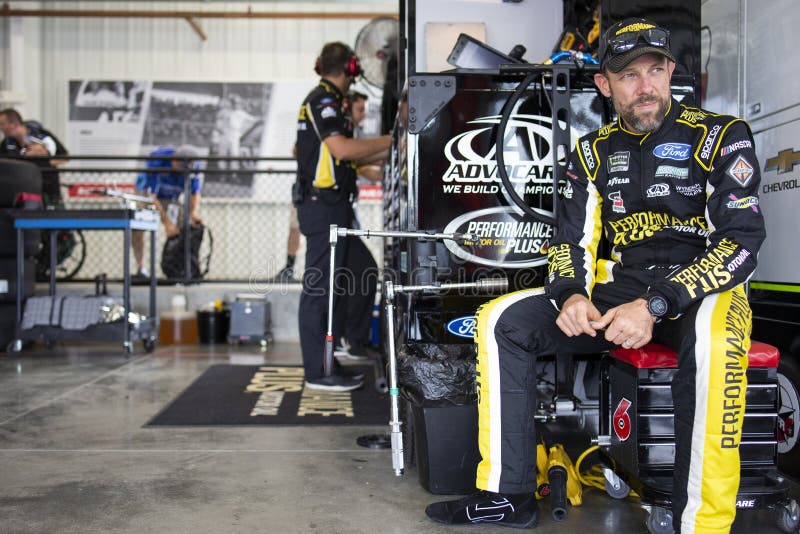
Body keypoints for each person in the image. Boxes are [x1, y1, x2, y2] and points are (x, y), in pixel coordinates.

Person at [425, 18, 766, 533]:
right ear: (605, 85)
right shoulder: (591, 154)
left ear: (672, 71)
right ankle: (506, 495)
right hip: (625, 285)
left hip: (703, 286)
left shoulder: (721, 136)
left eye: (656, 70)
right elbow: (568, 243)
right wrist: (570, 296)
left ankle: (703, 522)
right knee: (501, 321)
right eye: (629, 75)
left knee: (715, 340)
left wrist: (655, 306)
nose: (646, 85)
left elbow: (742, 243)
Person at [294, 41, 391, 391]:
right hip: (323, 207)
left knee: (359, 272)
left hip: (333, 206)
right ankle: (318, 372)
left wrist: (388, 153)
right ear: (351, 68)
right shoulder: (322, 100)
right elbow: (342, 149)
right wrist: (393, 141)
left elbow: (347, 159)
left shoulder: (330, 101)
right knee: (320, 289)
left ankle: (338, 352)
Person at [132, 145, 204, 278]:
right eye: (182, 168)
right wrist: (167, 223)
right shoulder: (158, 160)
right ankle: (141, 268)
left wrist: (192, 213)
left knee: (184, 228)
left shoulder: (194, 166)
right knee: (137, 227)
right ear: (174, 160)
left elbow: (195, 192)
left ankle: (177, 270)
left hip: (170, 196)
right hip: (146, 194)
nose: (184, 171)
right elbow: (150, 195)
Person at [0, 108, 69, 205]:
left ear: (14, 124)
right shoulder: (6, 143)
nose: (1, 128)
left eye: (3, 124)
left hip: (45, 188)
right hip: (17, 192)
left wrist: (42, 161)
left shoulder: (43, 136)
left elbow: (64, 157)